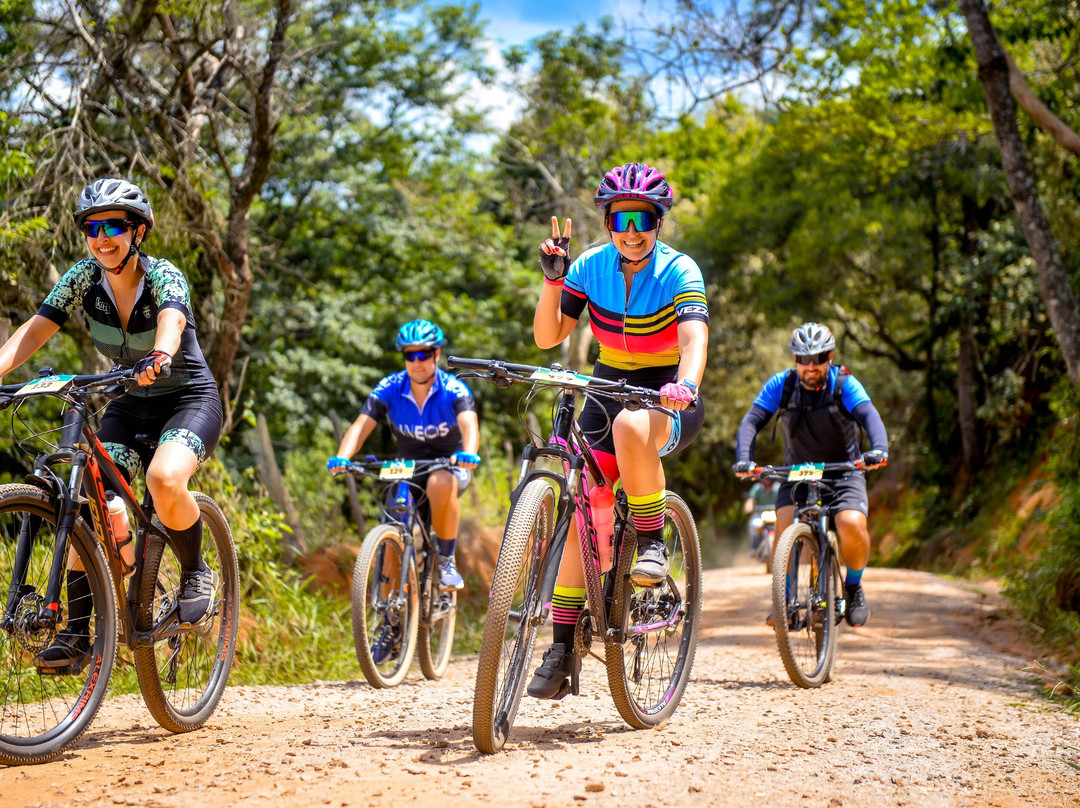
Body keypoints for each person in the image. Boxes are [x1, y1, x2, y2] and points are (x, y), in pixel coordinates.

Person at [0, 178, 224, 668]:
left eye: (114, 227)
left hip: (187, 399)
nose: (102, 238)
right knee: (87, 505)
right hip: (129, 401)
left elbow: (172, 321)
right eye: (92, 228)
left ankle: (195, 571)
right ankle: (78, 633)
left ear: (137, 232)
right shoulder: (83, 278)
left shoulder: (163, 275)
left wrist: (161, 354)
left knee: (163, 479)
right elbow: (34, 330)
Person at [527, 161, 708, 699]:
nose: (632, 231)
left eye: (643, 219)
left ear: (658, 222)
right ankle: (562, 647)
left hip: (666, 391)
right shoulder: (589, 266)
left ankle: (651, 541)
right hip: (608, 383)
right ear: (608, 222)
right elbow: (548, 336)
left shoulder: (680, 271)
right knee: (585, 499)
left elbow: (694, 340)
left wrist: (685, 384)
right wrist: (553, 281)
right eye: (621, 219)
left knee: (631, 426)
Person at [732, 322, 888, 627]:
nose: (811, 366)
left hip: (844, 471)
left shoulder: (844, 384)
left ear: (830, 357)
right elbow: (751, 421)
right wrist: (744, 459)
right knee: (784, 522)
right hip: (798, 472)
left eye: (818, 358)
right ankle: (785, 600)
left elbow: (869, 416)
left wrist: (879, 449)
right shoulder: (782, 384)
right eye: (804, 359)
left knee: (851, 523)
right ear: (795, 359)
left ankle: (853, 587)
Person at [327, 319, 480, 603]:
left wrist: (468, 453)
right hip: (407, 466)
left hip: (449, 465)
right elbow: (361, 426)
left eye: (423, 354)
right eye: (410, 355)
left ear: (436, 354)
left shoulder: (454, 388)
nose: (417, 362)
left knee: (439, 482)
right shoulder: (390, 386)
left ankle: (446, 561)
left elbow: (469, 425)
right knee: (395, 522)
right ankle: (390, 616)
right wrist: (342, 457)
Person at [744, 477, 778, 559]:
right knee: (755, 525)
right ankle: (755, 547)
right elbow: (751, 500)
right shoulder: (757, 488)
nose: (767, 483)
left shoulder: (778, 488)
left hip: (776, 515)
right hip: (760, 515)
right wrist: (748, 507)